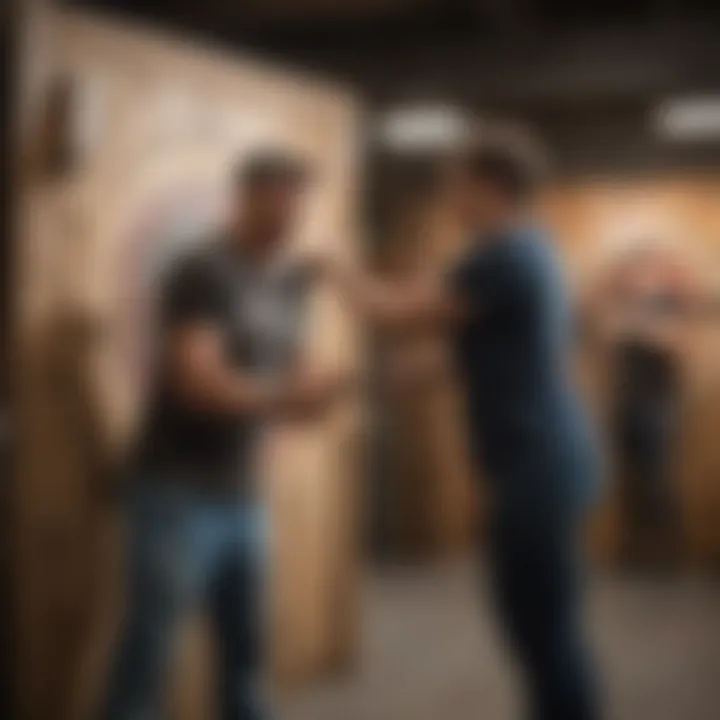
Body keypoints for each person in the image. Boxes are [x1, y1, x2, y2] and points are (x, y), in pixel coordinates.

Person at [319, 130, 601, 720]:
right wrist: (429, 370)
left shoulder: (498, 255)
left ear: (489, 187)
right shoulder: (532, 248)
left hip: (536, 461)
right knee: (539, 618)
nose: (448, 195)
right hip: (547, 456)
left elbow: (393, 312)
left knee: (537, 621)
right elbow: (500, 343)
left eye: (455, 183)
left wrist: (331, 265)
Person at [98, 152, 348, 720]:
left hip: (242, 494)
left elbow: (291, 376)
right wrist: (287, 399)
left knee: (247, 660)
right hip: (175, 492)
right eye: (278, 197)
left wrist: (315, 397)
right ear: (246, 198)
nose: (290, 213)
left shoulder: (290, 282)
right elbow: (197, 384)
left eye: (298, 200)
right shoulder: (203, 269)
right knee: (149, 658)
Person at [584, 244, 696, 570]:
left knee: (656, 476)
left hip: (659, 404)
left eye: (645, 270)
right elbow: (601, 335)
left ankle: (666, 553)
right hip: (626, 400)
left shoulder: (668, 308)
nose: (638, 278)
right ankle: (636, 550)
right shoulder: (621, 308)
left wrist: (639, 330)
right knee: (629, 476)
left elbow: (680, 346)